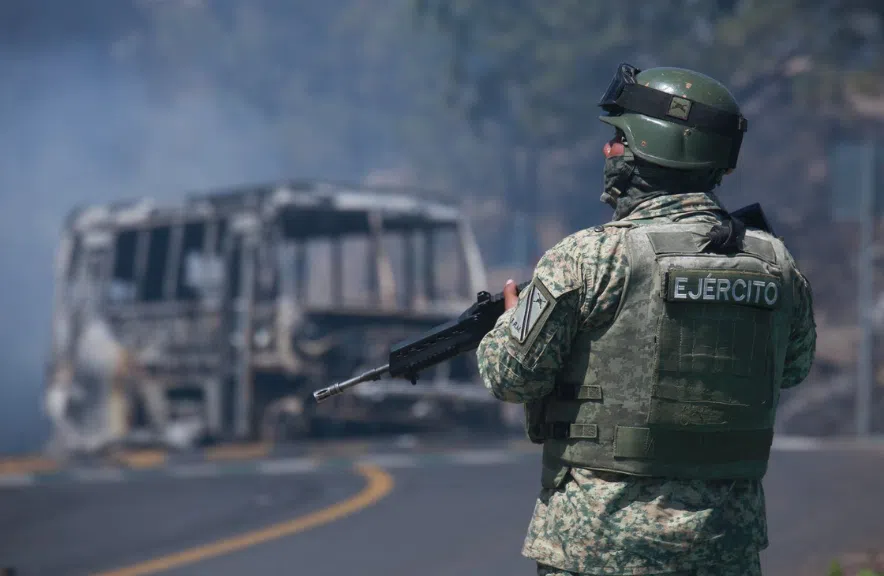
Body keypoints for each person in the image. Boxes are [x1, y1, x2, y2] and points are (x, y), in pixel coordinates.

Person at [475, 63, 817, 576]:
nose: (607, 150)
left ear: (647, 149)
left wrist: (508, 323)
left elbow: (509, 377)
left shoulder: (589, 257)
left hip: (597, 547)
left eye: (618, 139)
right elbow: (793, 368)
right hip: (724, 547)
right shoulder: (776, 263)